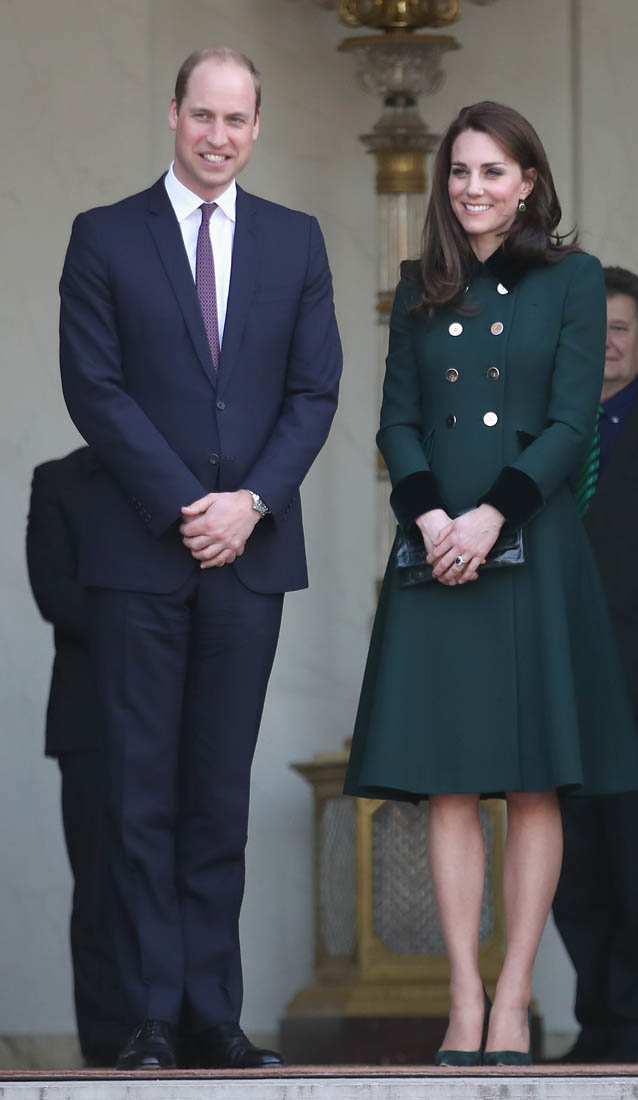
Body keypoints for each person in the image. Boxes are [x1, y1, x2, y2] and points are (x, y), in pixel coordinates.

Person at [344, 102, 638, 1067]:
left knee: (530, 780)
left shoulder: (571, 278)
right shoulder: (419, 283)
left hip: (529, 541)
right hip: (435, 550)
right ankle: (462, 999)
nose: (472, 188)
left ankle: (513, 996)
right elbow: (396, 422)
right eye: (460, 171)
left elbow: (568, 420)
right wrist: (433, 520)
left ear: (527, 184)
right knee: (447, 784)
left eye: (492, 171)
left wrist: (490, 517)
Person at [58, 46, 342, 1071]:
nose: (218, 136)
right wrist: (190, 505)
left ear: (256, 128)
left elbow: (313, 391)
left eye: (236, 120)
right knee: (141, 794)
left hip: (248, 559)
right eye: (203, 116)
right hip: (141, 555)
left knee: (218, 795)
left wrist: (250, 503)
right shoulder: (103, 236)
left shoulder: (294, 239)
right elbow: (93, 387)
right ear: (173, 114)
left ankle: (213, 1015)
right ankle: (149, 1016)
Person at [551, 267, 638, 1065]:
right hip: (559, 688)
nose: (605, 343)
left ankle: (636, 1034)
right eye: (591, 329)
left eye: (619, 328)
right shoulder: (543, 433)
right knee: (570, 873)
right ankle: (596, 1028)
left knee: (636, 869)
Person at [26, 446, 129, 1067]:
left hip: (180, 708)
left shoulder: (191, 471)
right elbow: (55, 596)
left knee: (186, 872)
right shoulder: (58, 480)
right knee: (99, 886)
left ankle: (184, 1027)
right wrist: (148, 612)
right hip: (89, 713)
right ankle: (107, 1048)